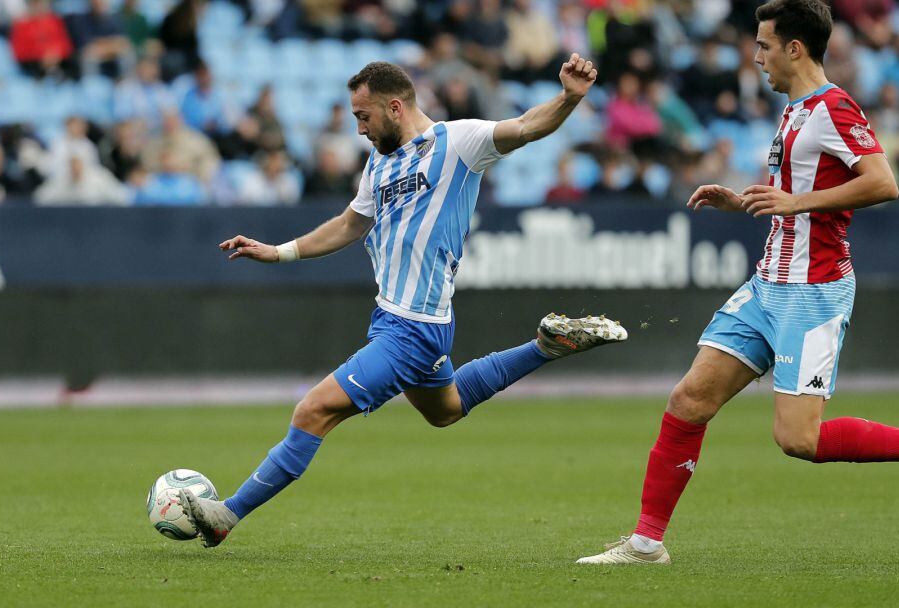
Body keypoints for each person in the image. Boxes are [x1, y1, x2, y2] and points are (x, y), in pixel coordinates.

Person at [577, 0, 899, 566]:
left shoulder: (835, 107)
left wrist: (796, 201)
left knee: (798, 440)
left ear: (795, 47)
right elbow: (794, 201)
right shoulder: (792, 110)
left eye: (763, 44)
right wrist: (745, 203)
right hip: (768, 284)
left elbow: (884, 182)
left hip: (814, 293)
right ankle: (646, 543)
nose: (755, 55)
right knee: (689, 399)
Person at [177, 55, 628, 548]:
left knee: (312, 411)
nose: (359, 129)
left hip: (411, 327)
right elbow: (351, 223)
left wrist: (568, 98)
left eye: (363, 116)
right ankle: (546, 346)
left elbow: (523, 127)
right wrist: (278, 252)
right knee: (446, 408)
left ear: (395, 106)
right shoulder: (380, 163)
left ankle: (227, 515)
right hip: (404, 320)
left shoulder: (458, 143)